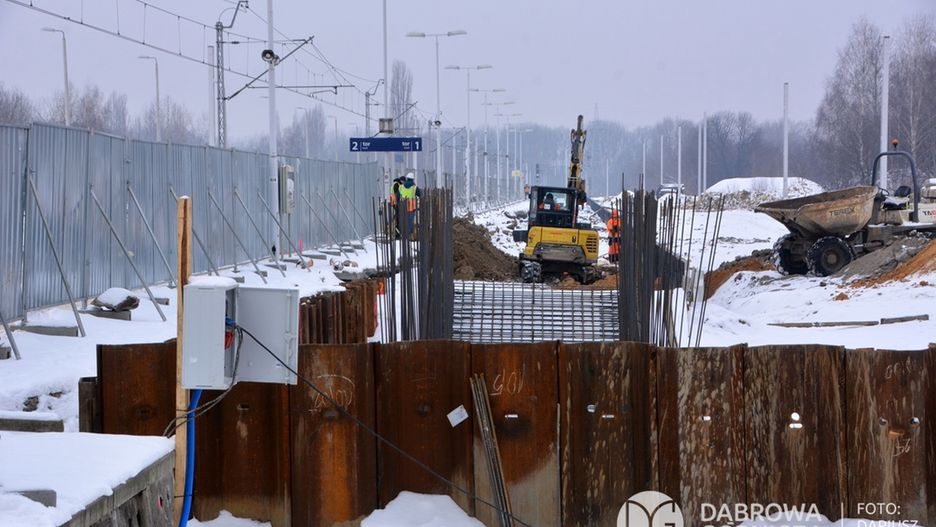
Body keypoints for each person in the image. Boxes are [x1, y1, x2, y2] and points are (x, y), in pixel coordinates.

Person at [398, 172, 421, 237]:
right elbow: (420, 195)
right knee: (410, 221)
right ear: (413, 179)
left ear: (407, 179)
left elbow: (397, 196)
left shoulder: (401, 187)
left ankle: (403, 234)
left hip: (403, 207)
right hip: (411, 207)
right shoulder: (414, 187)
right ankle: (409, 234)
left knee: (404, 220)